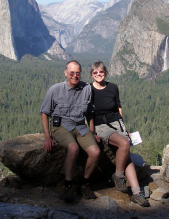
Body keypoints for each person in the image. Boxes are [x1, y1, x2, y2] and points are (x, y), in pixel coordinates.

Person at [89, 61, 150, 207]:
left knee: (126, 153)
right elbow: (88, 113)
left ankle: (136, 193)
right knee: (124, 143)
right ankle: (118, 175)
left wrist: (123, 128)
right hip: (101, 126)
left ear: (106, 72)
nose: (99, 74)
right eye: (95, 72)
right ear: (91, 74)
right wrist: (92, 132)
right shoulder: (88, 90)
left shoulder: (112, 87)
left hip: (117, 124)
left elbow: (118, 108)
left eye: (101, 71)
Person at [40, 60, 100, 203]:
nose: (74, 76)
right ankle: (68, 186)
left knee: (95, 152)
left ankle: (84, 184)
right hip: (61, 126)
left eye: (77, 73)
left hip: (80, 126)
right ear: (66, 73)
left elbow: (90, 113)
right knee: (73, 148)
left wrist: (92, 132)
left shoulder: (87, 88)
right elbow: (44, 113)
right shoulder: (55, 89)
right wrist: (47, 137)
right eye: (71, 73)